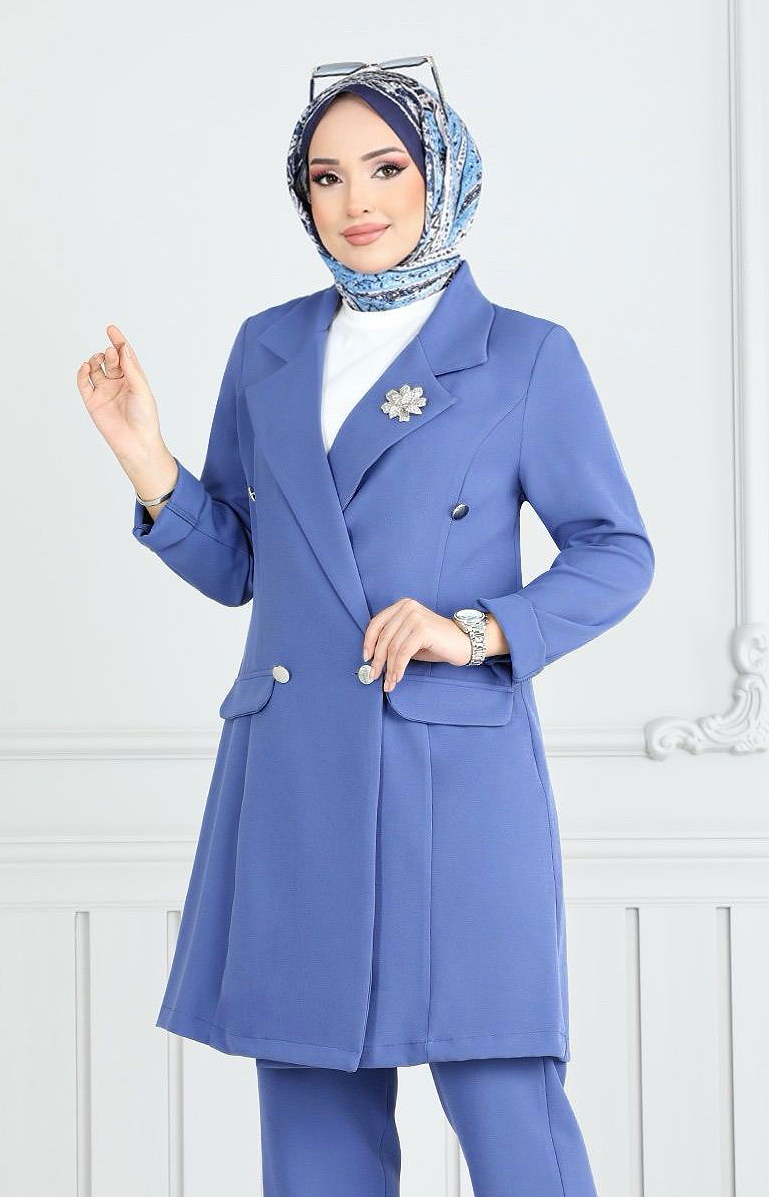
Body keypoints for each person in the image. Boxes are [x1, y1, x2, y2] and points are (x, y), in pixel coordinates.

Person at [77, 59, 654, 1196]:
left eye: (386, 168)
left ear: (443, 174)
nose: (357, 201)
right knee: (313, 1123)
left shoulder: (523, 354)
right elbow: (241, 568)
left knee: (503, 1098)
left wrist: (477, 630)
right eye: (327, 176)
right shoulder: (269, 346)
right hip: (296, 771)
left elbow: (616, 552)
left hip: (452, 771)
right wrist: (148, 460)